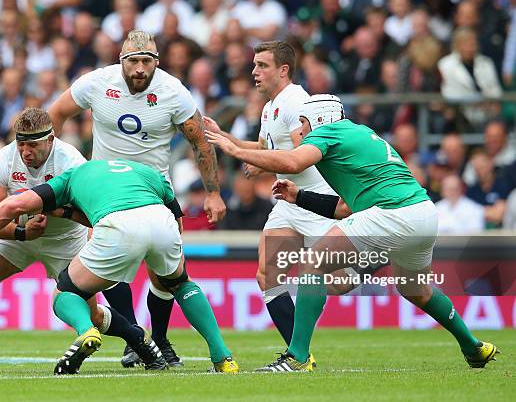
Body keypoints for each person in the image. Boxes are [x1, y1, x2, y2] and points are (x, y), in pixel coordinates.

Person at [206, 94, 498, 372]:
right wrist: (300, 197)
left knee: (313, 262)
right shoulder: (360, 133)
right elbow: (346, 207)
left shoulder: (328, 132)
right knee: (415, 290)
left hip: (392, 213)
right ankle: (472, 346)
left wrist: (236, 150)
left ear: (319, 118)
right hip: (422, 213)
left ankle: (297, 357)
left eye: (304, 123)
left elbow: (292, 162)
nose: (302, 131)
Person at [0, 158, 239, 374]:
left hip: (118, 225)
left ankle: (86, 330)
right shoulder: (143, 170)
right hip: (161, 221)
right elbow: (175, 212)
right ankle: (223, 357)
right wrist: (170, 250)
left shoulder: (70, 176)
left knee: (65, 293)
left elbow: (12, 207)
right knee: (181, 284)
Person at [48, 30, 226, 368]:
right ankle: (135, 338)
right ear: (121, 61)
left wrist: (213, 193)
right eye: (133, 61)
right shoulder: (97, 83)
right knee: (107, 267)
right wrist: (63, 166)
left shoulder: (174, 92)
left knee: (166, 276)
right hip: (105, 193)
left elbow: (201, 143)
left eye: (147, 61)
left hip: (156, 191)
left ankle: (157, 339)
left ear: (157, 62)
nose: (140, 68)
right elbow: (55, 114)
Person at [204, 42, 358, 357]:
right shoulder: (269, 106)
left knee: (343, 282)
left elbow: (303, 156)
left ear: (283, 70)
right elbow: (264, 147)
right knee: (266, 274)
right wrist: (225, 138)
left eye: (262, 65)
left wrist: (256, 161)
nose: (254, 72)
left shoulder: (297, 103)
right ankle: (298, 354)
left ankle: (370, 260)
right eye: (254, 65)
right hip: (288, 203)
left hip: (317, 199)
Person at [0, 108, 101, 373]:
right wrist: (21, 233)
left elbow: (93, 215)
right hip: (15, 233)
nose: (25, 152)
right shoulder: (2, 160)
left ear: (50, 140)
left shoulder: (71, 161)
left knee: (92, 314)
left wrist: (60, 211)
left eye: (33, 145)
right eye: (21, 144)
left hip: (65, 237)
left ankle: (138, 340)